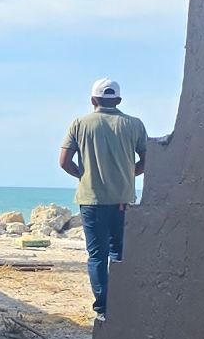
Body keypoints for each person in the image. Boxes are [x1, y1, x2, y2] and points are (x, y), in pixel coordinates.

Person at [59, 76, 148, 321]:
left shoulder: (79, 124)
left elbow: (64, 162)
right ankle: (122, 304)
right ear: (118, 100)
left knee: (96, 256)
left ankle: (102, 308)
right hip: (123, 200)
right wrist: (130, 174)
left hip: (91, 200)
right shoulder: (134, 124)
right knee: (119, 253)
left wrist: (83, 175)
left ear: (92, 100)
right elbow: (148, 160)